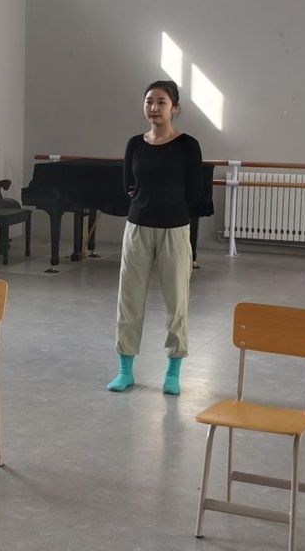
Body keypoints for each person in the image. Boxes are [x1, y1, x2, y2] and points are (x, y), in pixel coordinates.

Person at [108, 80, 202, 395]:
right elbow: (127, 184)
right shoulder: (135, 144)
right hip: (138, 228)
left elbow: (195, 191)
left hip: (174, 229)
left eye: (161, 102)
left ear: (174, 108)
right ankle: (125, 370)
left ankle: (173, 372)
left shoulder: (188, 145)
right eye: (149, 101)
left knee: (177, 302)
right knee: (129, 300)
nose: (154, 107)